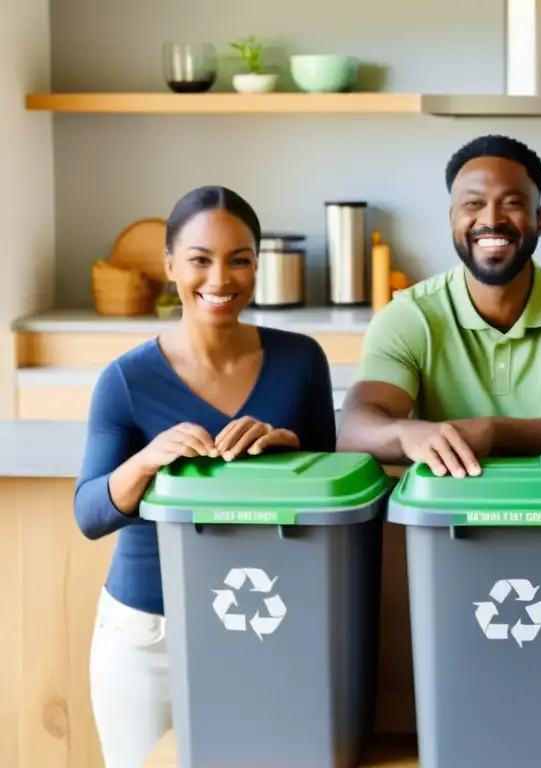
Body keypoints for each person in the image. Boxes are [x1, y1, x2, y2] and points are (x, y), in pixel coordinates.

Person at [73, 185, 337, 767]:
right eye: (200, 259)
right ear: (170, 266)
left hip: (267, 623)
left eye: (239, 259)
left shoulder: (302, 362)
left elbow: (331, 493)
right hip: (150, 637)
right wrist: (146, 461)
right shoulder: (126, 380)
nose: (220, 279)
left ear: (256, 265)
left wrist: (291, 449)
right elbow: (89, 512)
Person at [337, 134, 541, 475]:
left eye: (512, 202)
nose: (491, 219)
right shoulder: (409, 317)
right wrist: (405, 433)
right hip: (442, 516)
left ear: (539, 219)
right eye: (473, 204)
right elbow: (354, 431)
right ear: (452, 219)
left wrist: (491, 432)